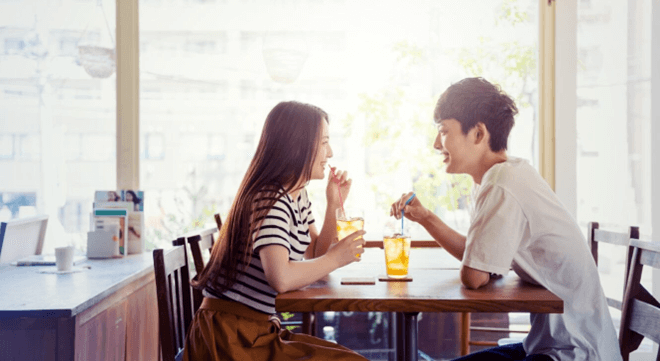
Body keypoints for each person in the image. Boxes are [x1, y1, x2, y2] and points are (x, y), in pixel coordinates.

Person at [390, 77, 622, 361]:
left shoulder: (502, 183)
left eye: (444, 131)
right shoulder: (502, 177)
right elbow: (480, 259)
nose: (437, 143)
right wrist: (426, 218)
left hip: (574, 353)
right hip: (549, 344)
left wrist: (472, 266)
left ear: (478, 133)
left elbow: (474, 276)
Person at [185, 101, 368, 361]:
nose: (331, 152)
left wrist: (334, 204)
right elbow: (280, 277)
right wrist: (336, 258)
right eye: (325, 142)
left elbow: (314, 252)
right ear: (298, 146)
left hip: (254, 331)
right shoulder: (270, 200)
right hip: (229, 338)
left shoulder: (296, 194)